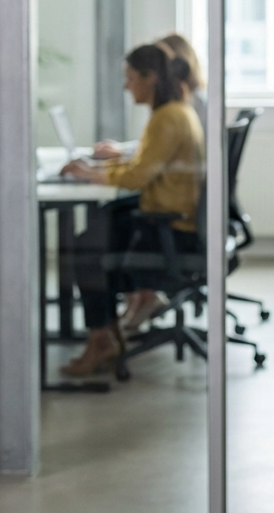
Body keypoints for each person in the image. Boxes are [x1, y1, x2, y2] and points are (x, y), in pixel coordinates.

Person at [58, 44, 205, 376]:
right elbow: (148, 165)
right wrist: (102, 168)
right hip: (175, 221)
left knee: (87, 250)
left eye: (129, 78)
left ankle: (100, 340)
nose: (126, 86)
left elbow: (138, 177)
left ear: (149, 78)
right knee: (99, 227)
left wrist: (88, 172)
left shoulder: (167, 118)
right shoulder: (176, 111)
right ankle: (105, 333)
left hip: (173, 233)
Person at [91, 32, 207, 161]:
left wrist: (120, 154)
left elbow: (159, 156)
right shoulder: (178, 105)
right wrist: (122, 149)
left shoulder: (185, 109)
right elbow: (157, 145)